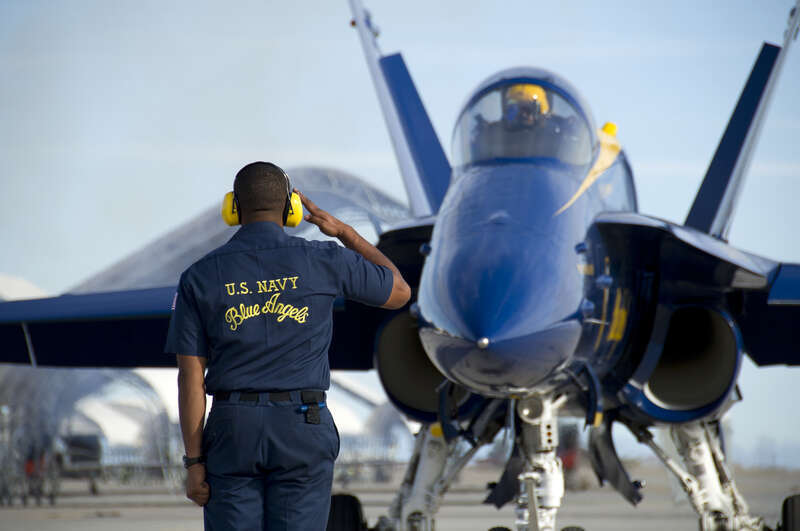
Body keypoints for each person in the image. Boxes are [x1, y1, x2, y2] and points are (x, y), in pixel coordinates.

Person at [164, 161, 410, 530]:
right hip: (302, 426)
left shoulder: (199, 276)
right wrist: (344, 232)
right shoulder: (323, 259)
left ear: (233, 208)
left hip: (233, 429)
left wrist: (194, 463)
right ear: (290, 209)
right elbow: (399, 292)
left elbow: (190, 378)